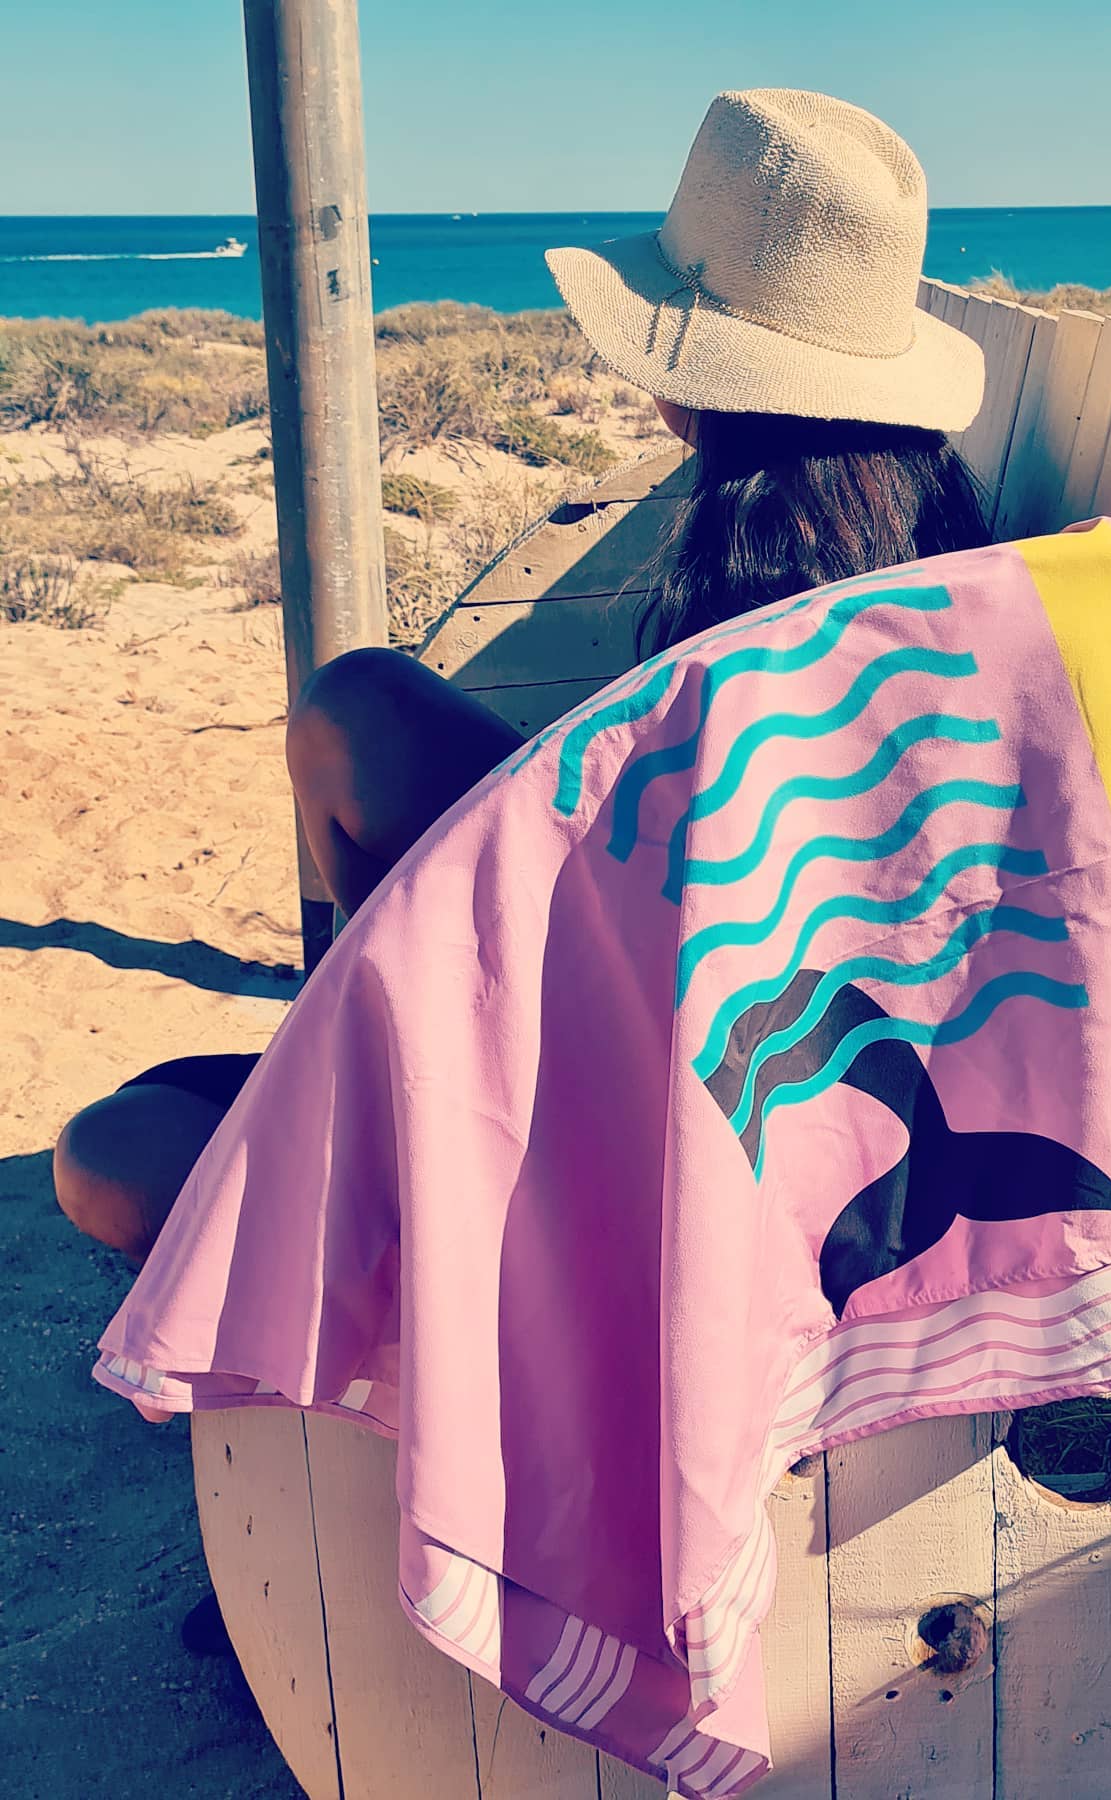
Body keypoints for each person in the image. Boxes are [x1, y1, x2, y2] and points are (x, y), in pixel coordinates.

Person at [54, 86, 990, 1270]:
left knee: (110, 1156)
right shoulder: (906, 531)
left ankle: (383, 1136)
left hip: (617, 1117)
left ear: (702, 367)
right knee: (361, 710)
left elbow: (665, 965)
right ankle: (373, 1054)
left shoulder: (752, 610)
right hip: (696, 1024)